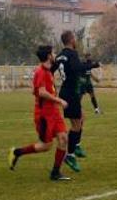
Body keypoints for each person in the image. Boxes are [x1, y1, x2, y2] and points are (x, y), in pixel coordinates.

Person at [8, 45, 71, 181]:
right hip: (44, 115)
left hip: (54, 112)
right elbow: (41, 92)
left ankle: (55, 172)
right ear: (49, 56)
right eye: (53, 53)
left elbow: (36, 90)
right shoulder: (41, 71)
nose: (54, 55)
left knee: (63, 138)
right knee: (45, 146)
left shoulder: (47, 71)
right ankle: (17, 152)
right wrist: (59, 100)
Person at [53, 31, 100, 172]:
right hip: (72, 93)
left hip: (65, 91)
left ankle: (76, 145)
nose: (76, 40)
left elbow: (52, 70)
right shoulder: (72, 54)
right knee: (76, 125)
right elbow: (77, 68)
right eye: (74, 38)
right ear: (71, 40)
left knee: (81, 117)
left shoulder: (60, 55)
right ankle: (70, 154)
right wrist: (93, 65)